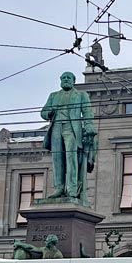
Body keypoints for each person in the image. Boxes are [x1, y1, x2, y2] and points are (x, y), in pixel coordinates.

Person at [41, 71, 98, 203]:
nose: (66, 79)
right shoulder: (53, 96)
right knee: (57, 158)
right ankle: (59, 187)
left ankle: (71, 188)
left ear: (73, 81)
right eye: (64, 78)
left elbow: (88, 112)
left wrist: (89, 125)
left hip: (71, 129)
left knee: (70, 157)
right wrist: (49, 112)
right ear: (60, 80)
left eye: (69, 78)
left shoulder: (81, 95)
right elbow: (43, 113)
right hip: (56, 127)